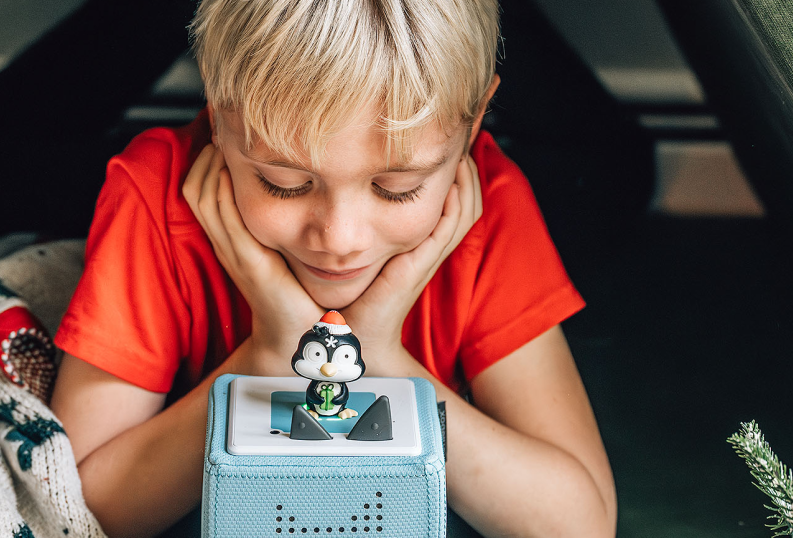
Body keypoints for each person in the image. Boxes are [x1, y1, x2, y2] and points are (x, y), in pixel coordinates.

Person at [49, 0, 616, 535]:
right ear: (219, 118)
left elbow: (581, 523)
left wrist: (376, 353)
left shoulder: (491, 207)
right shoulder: (152, 195)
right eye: (285, 183)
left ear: (470, 131)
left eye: (398, 189)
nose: (340, 240)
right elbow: (77, 509)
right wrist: (274, 353)